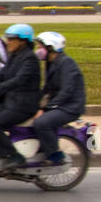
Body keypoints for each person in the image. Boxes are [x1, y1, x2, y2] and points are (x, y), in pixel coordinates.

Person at [0, 24, 41, 171]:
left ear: (23, 41)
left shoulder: (30, 59)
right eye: (7, 38)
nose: (8, 42)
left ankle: (15, 156)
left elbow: (18, 80)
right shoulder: (15, 56)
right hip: (9, 102)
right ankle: (0, 150)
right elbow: (2, 74)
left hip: (23, 106)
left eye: (11, 39)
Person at [33, 31, 86, 165]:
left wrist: (46, 108)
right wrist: (35, 103)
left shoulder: (66, 63)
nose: (38, 50)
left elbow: (66, 91)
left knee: (41, 123)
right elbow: (47, 89)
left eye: (40, 47)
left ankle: (56, 156)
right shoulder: (50, 63)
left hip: (70, 107)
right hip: (59, 105)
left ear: (50, 48)